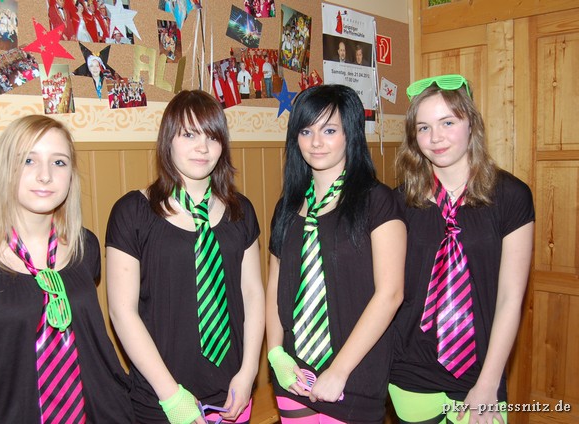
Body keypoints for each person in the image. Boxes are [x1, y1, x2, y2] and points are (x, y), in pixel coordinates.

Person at [0, 115, 135, 423]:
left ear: (71, 175)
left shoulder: (85, 247)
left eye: (59, 162)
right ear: (5, 168)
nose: (45, 175)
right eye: (28, 160)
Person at [106, 90, 265, 424]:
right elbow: (122, 312)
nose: (202, 147)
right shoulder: (132, 212)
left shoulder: (241, 211)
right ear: (168, 140)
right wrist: (172, 395)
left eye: (212, 137)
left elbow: (253, 294)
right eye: (189, 135)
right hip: (161, 399)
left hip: (233, 393)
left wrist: (248, 372)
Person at [389, 74, 535, 424]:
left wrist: (488, 383)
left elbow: (510, 298)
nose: (435, 137)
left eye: (448, 123)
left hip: (481, 370)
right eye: (423, 128)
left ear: (472, 124)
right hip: (410, 370)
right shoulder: (398, 202)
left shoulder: (511, 196)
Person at [266, 84, 406, 423]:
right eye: (306, 131)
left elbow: (390, 294)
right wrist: (275, 354)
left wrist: (339, 370)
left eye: (329, 130)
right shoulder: (287, 207)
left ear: (350, 135)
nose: (316, 142)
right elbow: (274, 288)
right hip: (293, 374)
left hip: (354, 374)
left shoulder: (377, 201)